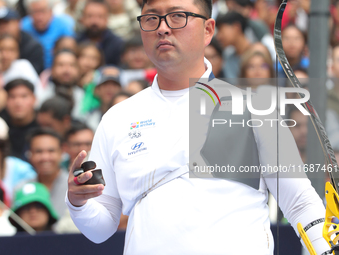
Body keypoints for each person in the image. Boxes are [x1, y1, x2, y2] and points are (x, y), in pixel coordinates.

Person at [66, 0, 330, 254]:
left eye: (177, 16)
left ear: (208, 30)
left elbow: (299, 202)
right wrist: (78, 203)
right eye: (151, 18)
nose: (162, 27)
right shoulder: (118, 118)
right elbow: (101, 228)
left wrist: (328, 248)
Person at [22, 128, 68, 218]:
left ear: (62, 152)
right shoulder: (21, 189)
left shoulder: (76, 186)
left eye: (51, 151)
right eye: (38, 151)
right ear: (30, 154)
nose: (45, 157)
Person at [21, 0, 74, 69]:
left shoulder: (65, 25)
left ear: (51, 11)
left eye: (43, 11)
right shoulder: (23, 26)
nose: (39, 17)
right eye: (34, 12)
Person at [0, 79, 39, 161]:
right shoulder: (1, 125)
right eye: (12, 97)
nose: (18, 102)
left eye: (24, 96)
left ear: (34, 99)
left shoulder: (44, 124)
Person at [76, 0, 124, 66]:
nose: (94, 21)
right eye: (90, 16)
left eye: (100, 16)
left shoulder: (118, 44)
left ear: (107, 19)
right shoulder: (76, 42)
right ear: (82, 18)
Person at [0, 6, 44, 74]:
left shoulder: (32, 46)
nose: (3, 27)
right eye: (0, 24)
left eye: (6, 23)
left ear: (18, 22)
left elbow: (33, 76)